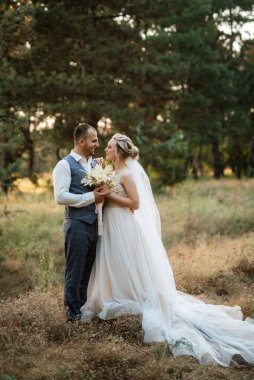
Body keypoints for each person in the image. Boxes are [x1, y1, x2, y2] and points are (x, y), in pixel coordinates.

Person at [81, 133, 254, 366]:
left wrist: (110, 194)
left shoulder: (129, 174)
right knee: (113, 261)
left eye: (110, 147)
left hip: (125, 225)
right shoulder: (109, 171)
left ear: (119, 151)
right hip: (111, 224)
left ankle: (135, 297)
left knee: (129, 262)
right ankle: (116, 295)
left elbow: (135, 203)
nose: (106, 150)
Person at [52, 123, 109, 322]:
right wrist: (91, 198)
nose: (97, 144)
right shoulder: (64, 165)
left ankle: (82, 309)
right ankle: (72, 315)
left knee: (87, 271)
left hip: (94, 224)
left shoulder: (94, 165)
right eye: (94, 140)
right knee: (74, 271)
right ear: (81, 141)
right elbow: (60, 197)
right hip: (76, 223)